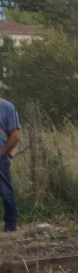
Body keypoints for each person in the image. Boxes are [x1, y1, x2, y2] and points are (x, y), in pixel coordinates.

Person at [0, 97, 21, 233]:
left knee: (6, 191)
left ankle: (10, 225)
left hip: (0, 159)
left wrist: (3, 153)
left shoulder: (7, 107)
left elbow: (15, 135)